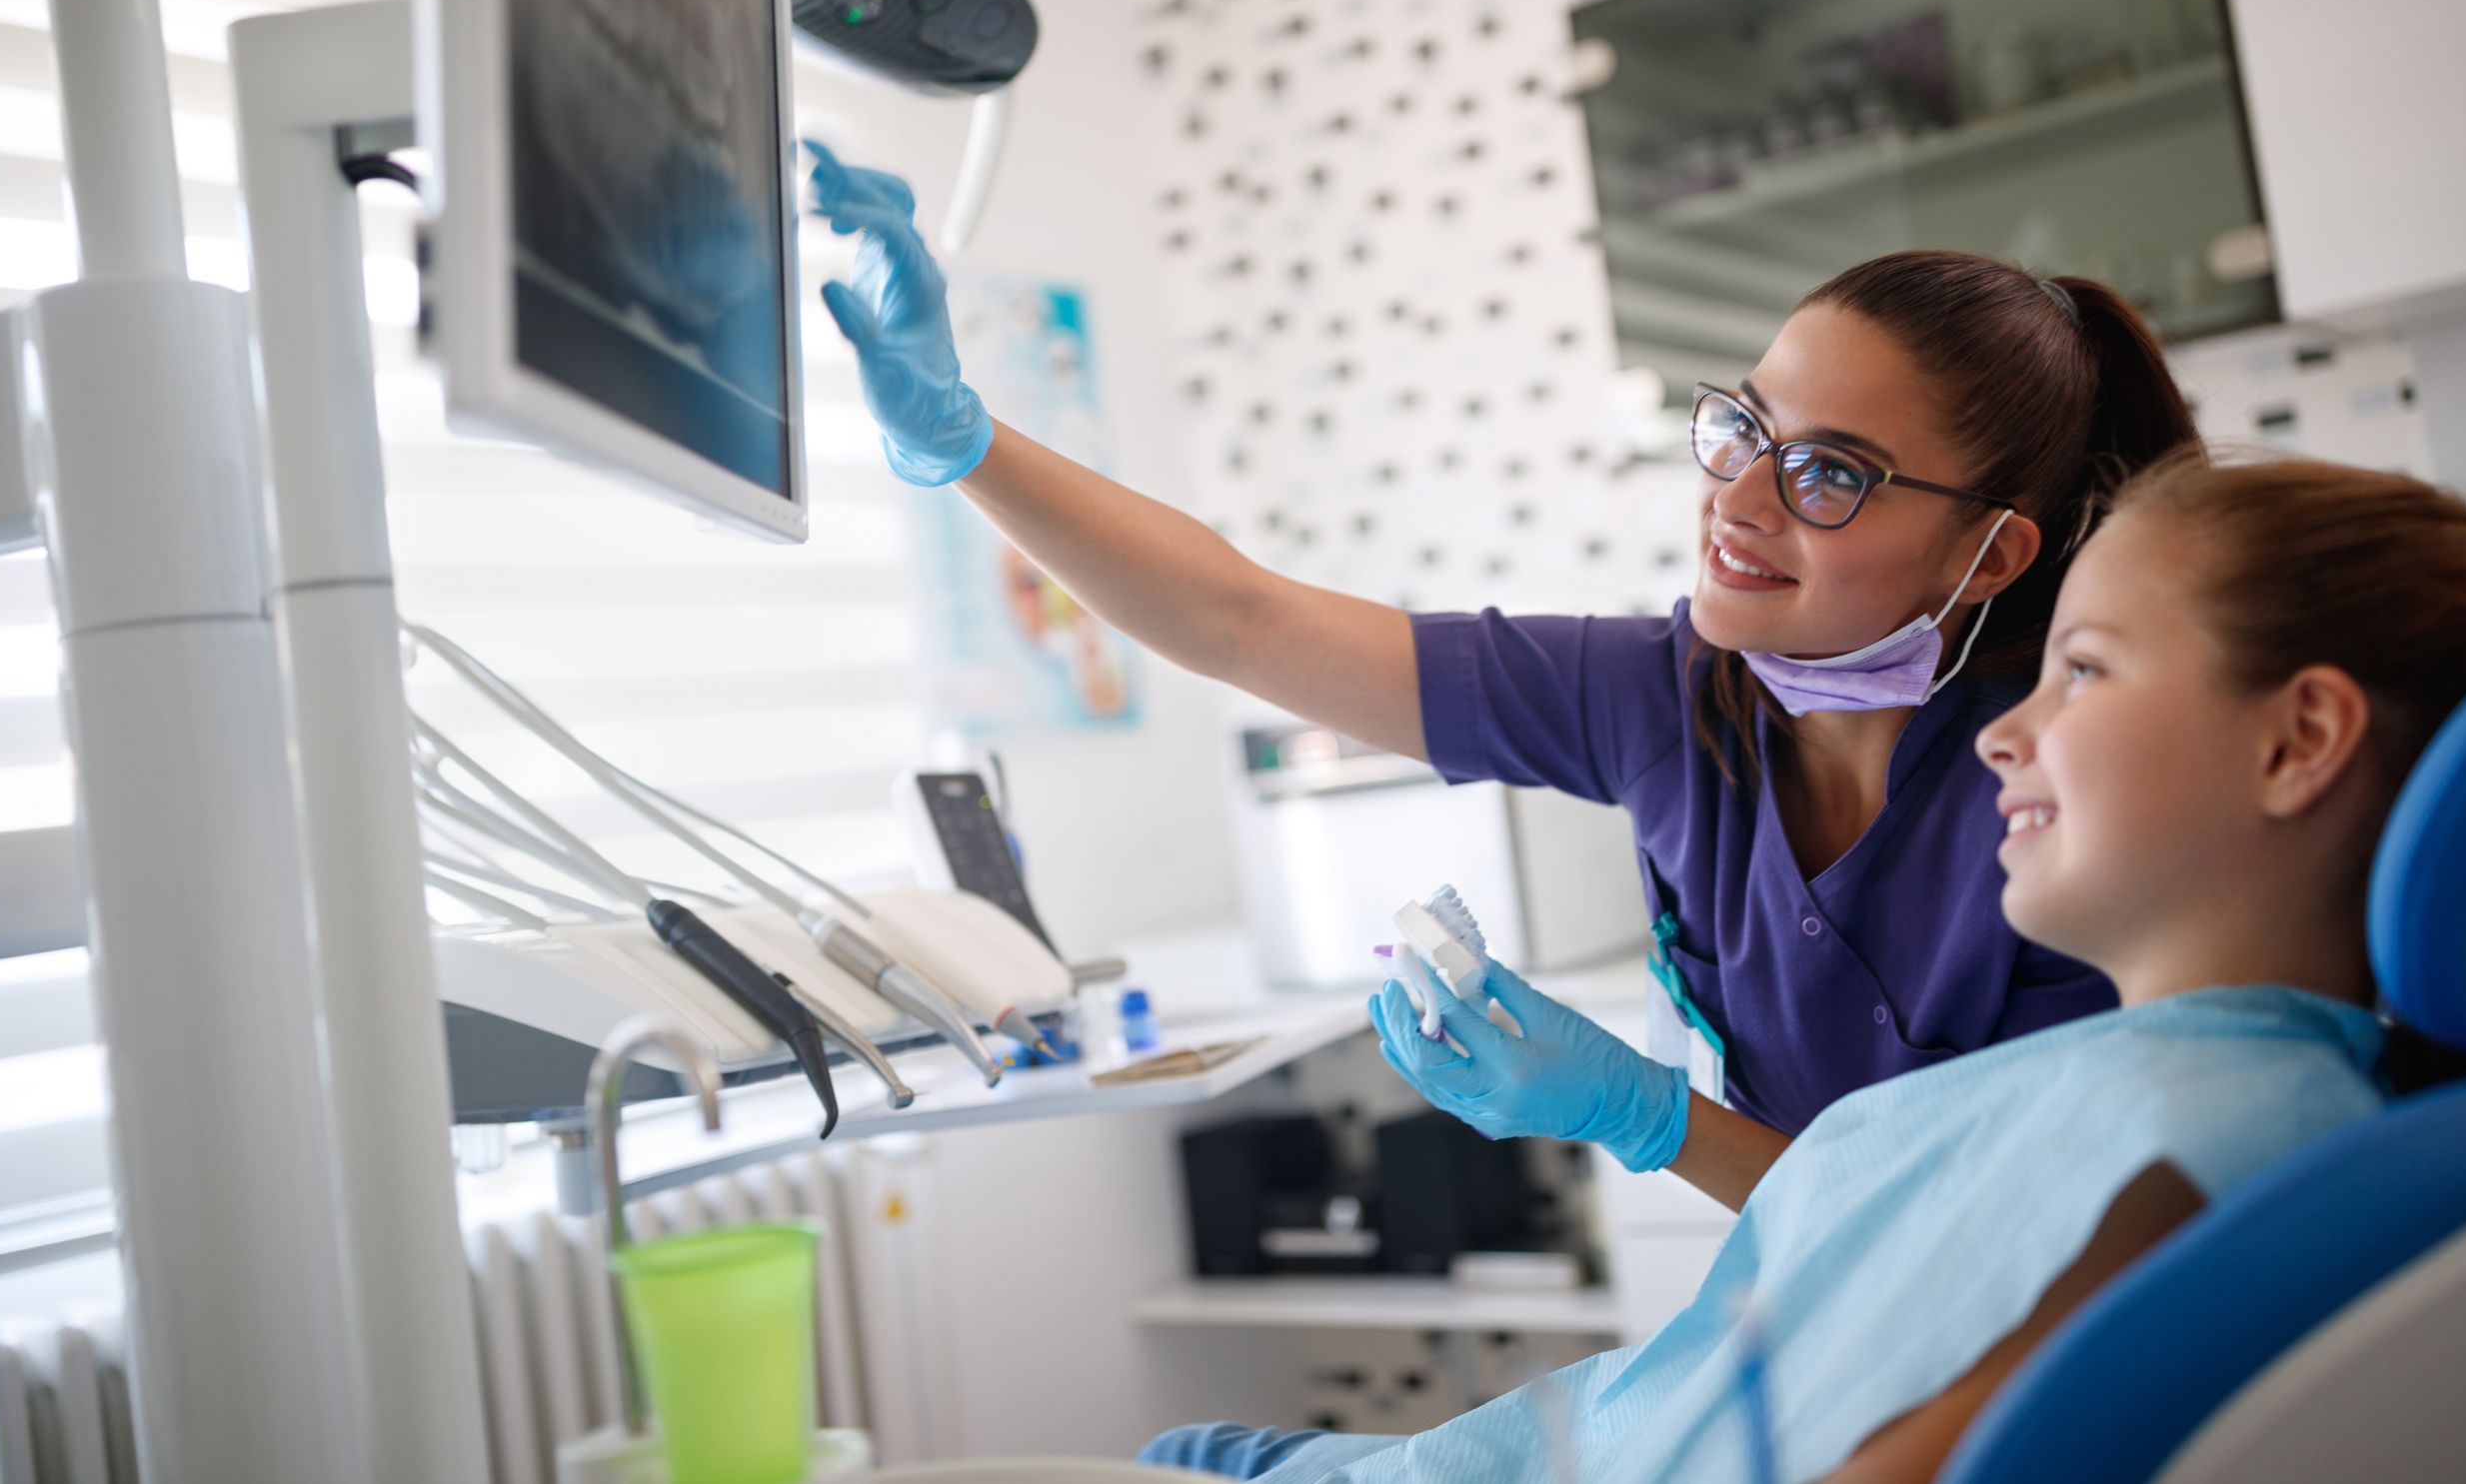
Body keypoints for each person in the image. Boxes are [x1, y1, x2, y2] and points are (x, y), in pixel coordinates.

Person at [808, 146, 2200, 1203]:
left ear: (1993, 551)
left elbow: (2000, 1238)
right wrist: (962, 442)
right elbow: (1243, 622)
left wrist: (1650, 1120)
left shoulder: (2064, 785)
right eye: (1746, 428)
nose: (1742, 500)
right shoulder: (1677, 699)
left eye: (1830, 473)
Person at [1139, 454, 2466, 1482]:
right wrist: (1641, 1112)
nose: (2004, 734)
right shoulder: (2156, 1084)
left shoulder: (2226, 1146)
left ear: (2297, 742)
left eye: (2088, 673)